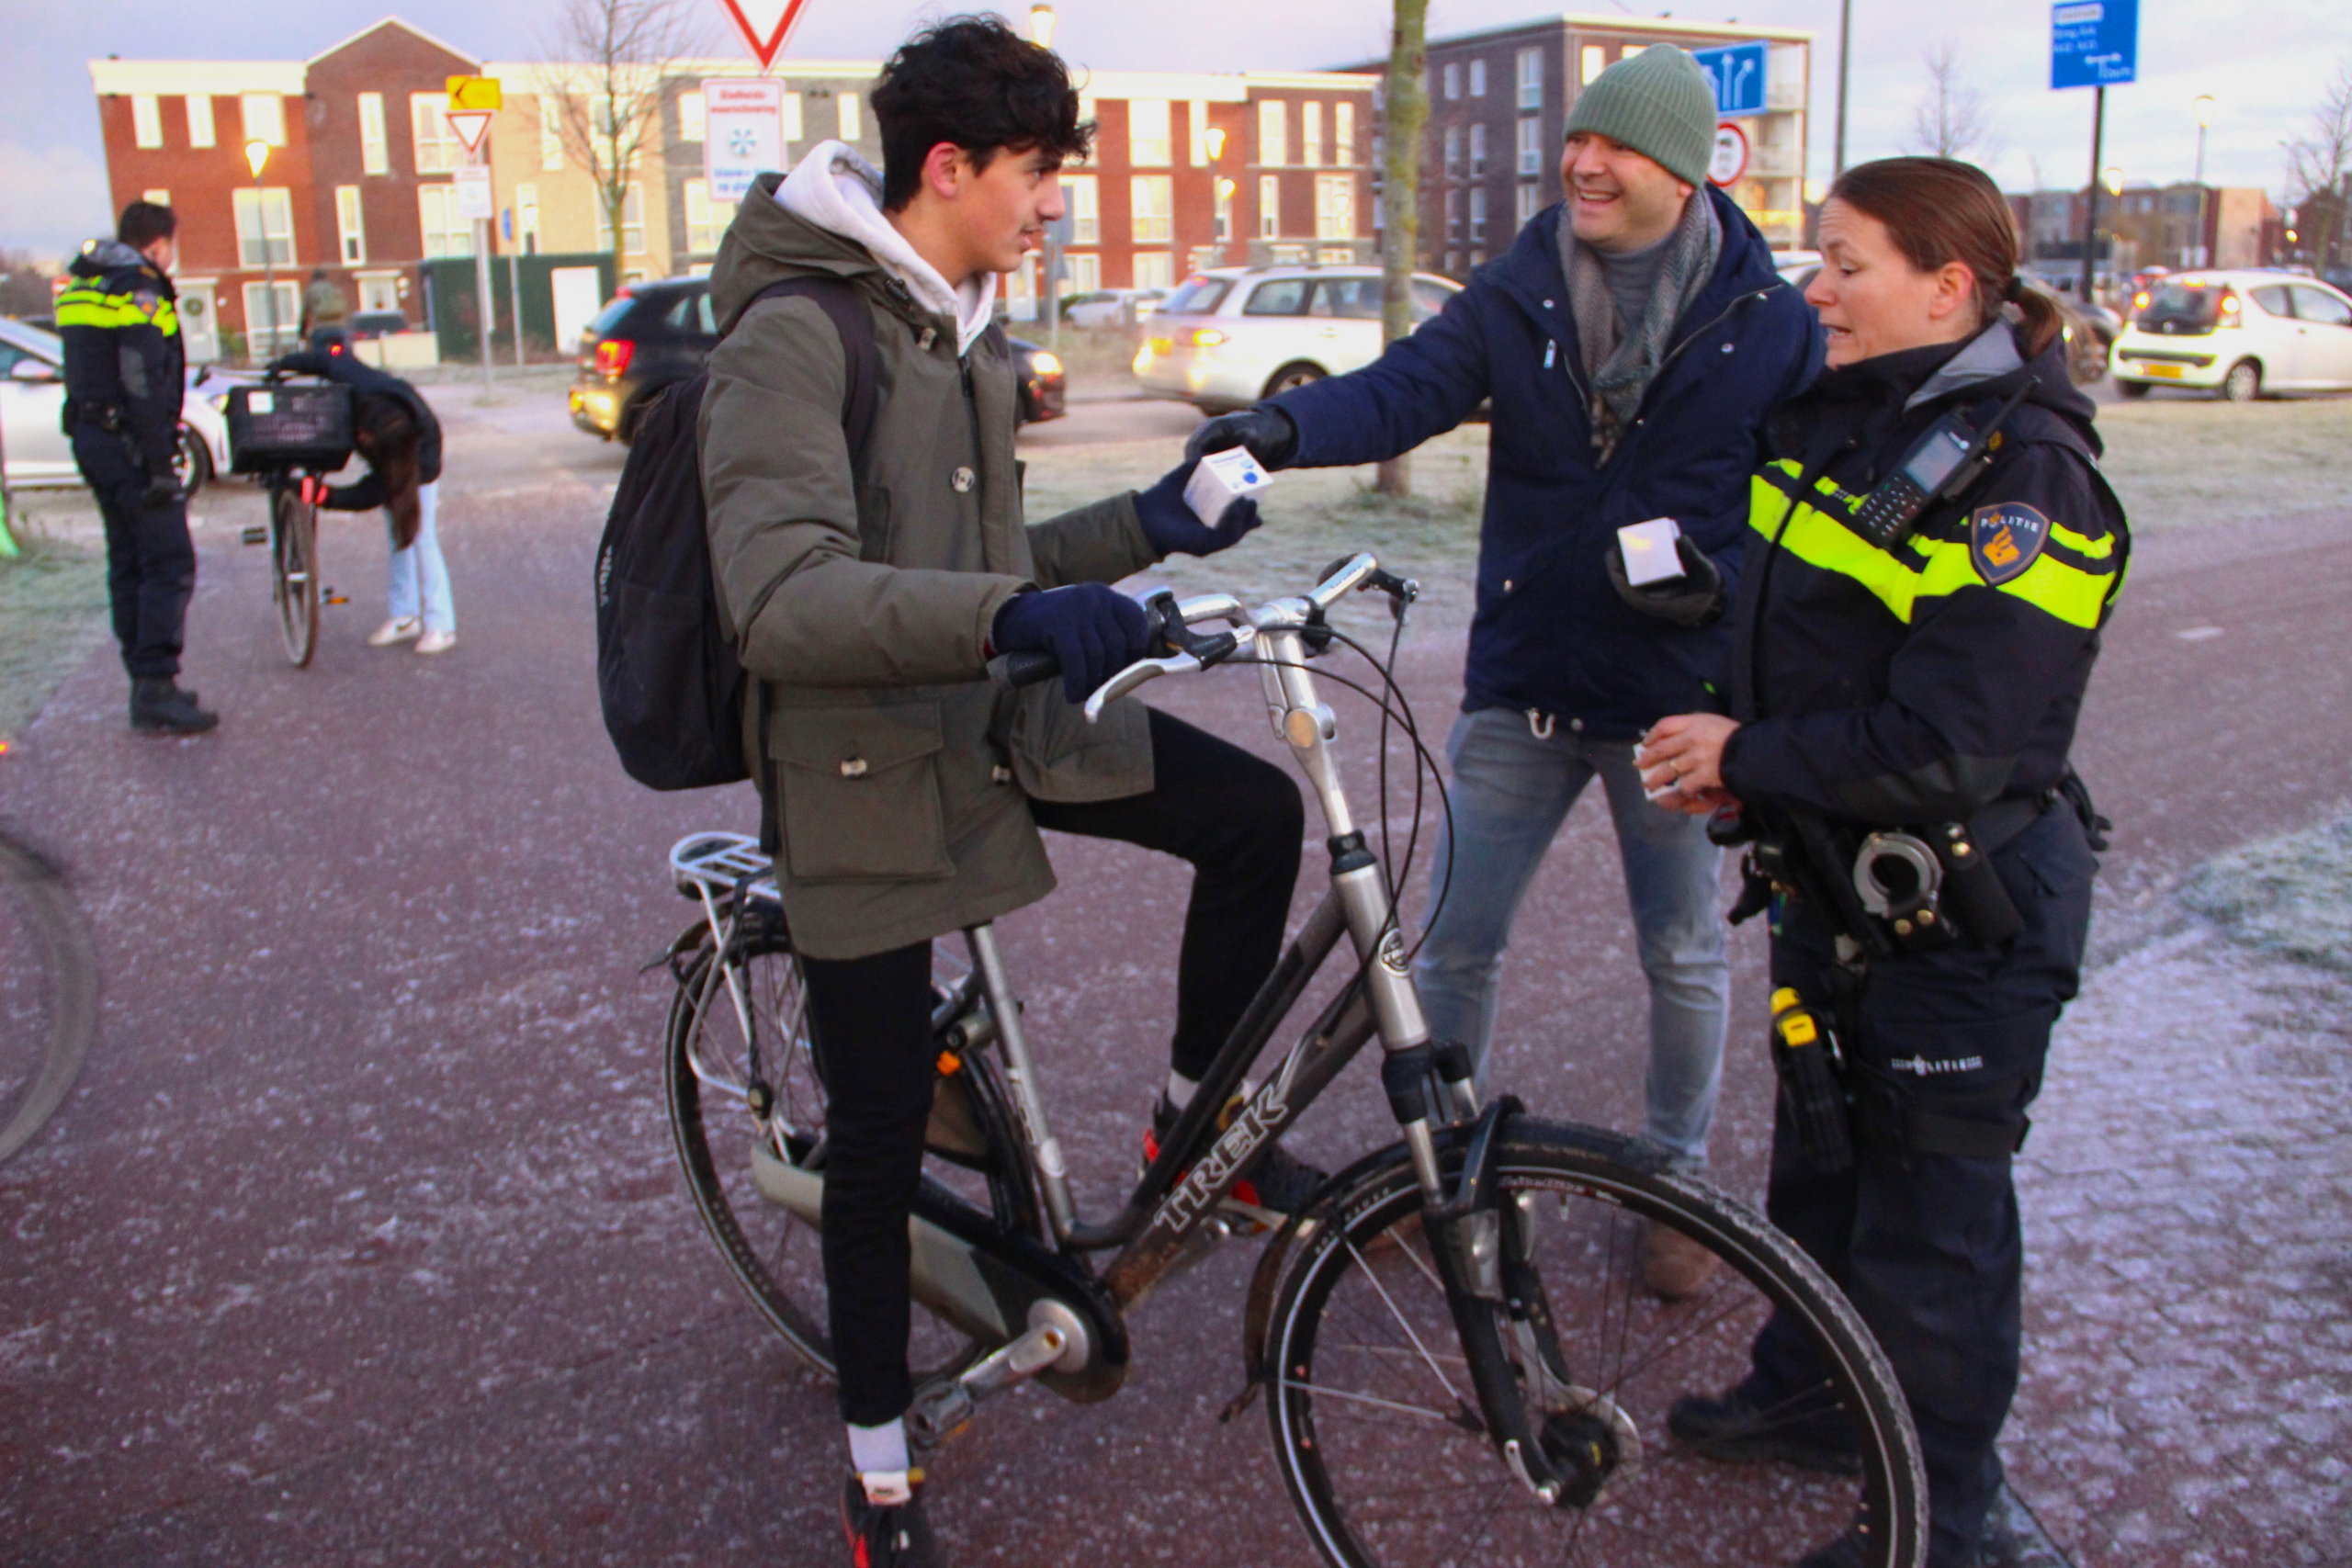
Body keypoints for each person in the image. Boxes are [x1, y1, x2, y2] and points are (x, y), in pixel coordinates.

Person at [695, 19, 1309, 1564]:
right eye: (1039, 177)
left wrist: (1154, 525)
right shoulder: (797, 332)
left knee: (1255, 818)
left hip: (987, 714)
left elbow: (997, 570)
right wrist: (1003, 619)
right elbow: (778, 600)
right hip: (864, 764)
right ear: (951, 168)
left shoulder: (956, 320)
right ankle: (879, 1461)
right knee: (881, 1125)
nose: (1055, 209)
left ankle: (1189, 1121)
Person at [1189, 43, 1821, 1296]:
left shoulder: (1769, 321)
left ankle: (1678, 1181)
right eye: (1577, 141)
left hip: (1676, 708)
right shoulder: (1523, 283)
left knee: (1683, 953)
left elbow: (1803, 510)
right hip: (1525, 685)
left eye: (1617, 148)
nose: (1584, 162)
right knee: (1451, 947)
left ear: (1684, 172)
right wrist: (1287, 425)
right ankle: (1445, 1166)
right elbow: (1409, 387)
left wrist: (1728, 590)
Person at [1635, 157, 2126, 1568]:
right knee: (1826, 1173)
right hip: (1841, 886)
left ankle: (1942, 1522)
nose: (1817, 288)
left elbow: (1957, 736)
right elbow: (1822, 621)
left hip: (1960, 911)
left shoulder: (2026, 475)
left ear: (1948, 285)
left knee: (1934, 1233)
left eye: (1847, 263)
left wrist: (1747, 753)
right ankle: (1812, 1391)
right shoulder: (1856, 419)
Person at [56, 201, 217, 734]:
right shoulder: (138, 289)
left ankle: (141, 681)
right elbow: (143, 377)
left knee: (127, 559)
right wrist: (159, 464)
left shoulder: (84, 284)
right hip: (129, 445)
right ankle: (155, 687)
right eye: (172, 245)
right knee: (170, 562)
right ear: (157, 243)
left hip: (91, 436)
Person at [268, 336, 455, 653]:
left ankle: (441, 625)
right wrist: (283, 365)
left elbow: (369, 493)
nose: (359, 437)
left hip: (420, 460)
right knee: (396, 534)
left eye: (364, 439)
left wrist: (324, 496)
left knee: (421, 536)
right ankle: (404, 615)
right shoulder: (361, 383)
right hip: (399, 447)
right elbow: (329, 359)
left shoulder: (414, 457)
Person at [300, 266, 350, 342]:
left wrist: (302, 333)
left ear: (313, 278)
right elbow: (346, 309)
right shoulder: (335, 288)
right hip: (340, 327)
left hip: (321, 328)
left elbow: (304, 314)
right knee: (346, 349)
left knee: (318, 351)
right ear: (325, 277)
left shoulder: (310, 290)